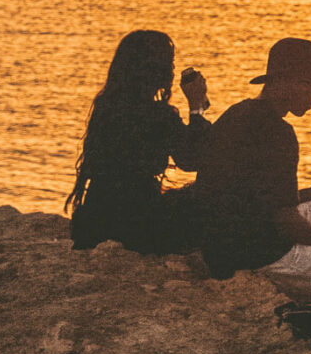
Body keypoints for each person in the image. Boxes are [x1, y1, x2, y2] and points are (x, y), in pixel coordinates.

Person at [196, 38, 311, 303]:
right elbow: (286, 223)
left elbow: (262, 198)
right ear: (283, 83)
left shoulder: (238, 112)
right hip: (256, 252)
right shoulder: (279, 133)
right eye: (308, 84)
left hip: (229, 238)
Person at [65, 30, 211, 255]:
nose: (172, 70)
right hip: (138, 224)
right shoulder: (158, 115)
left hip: (96, 217)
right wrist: (196, 107)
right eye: (169, 64)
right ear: (155, 70)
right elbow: (193, 158)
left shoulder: (105, 106)